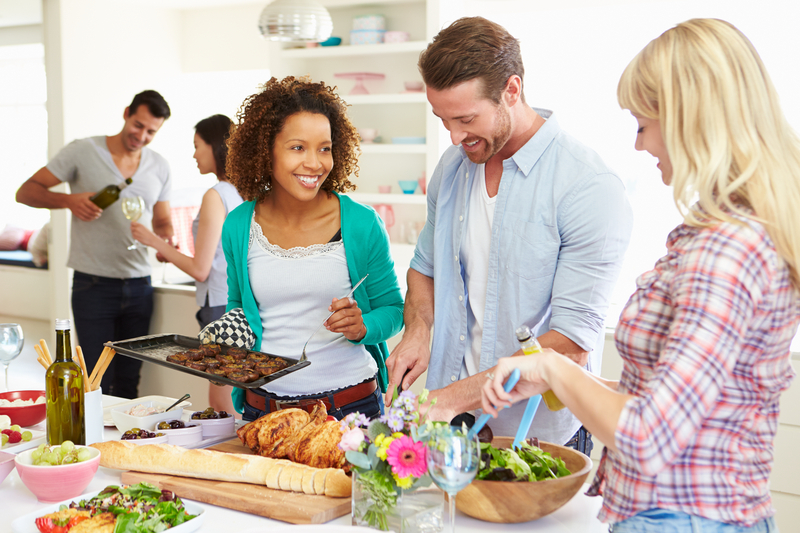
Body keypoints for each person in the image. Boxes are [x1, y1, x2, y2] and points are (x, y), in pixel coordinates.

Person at [483, 18, 800, 532]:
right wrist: (555, 375)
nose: (639, 145)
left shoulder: (726, 251)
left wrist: (556, 369)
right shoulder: (727, 235)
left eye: (642, 125)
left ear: (689, 121)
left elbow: (649, 436)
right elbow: (671, 398)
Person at [385, 17, 633, 454]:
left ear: (512, 90)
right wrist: (418, 330)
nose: (454, 136)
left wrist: (449, 399)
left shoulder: (588, 186)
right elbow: (425, 269)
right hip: (449, 426)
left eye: (466, 118)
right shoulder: (452, 168)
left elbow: (570, 346)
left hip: (535, 436)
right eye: (443, 119)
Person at [221, 76, 404, 421]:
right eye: (297, 148)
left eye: (324, 148)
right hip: (263, 411)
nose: (315, 163)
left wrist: (363, 326)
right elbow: (238, 306)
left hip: (349, 409)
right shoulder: (238, 225)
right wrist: (224, 344)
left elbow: (393, 309)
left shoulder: (361, 224)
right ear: (265, 150)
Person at [16, 90, 174, 399]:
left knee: (129, 380)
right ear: (126, 113)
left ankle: (124, 433)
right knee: (93, 382)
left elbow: (163, 220)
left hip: (140, 286)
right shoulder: (83, 151)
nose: (142, 136)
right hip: (93, 287)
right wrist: (69, 201)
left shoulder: (159, 165)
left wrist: (166, 240)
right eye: (138, 125)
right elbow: (25, 192)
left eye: (151, 131)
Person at [131, 114, 242, 415]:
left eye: (197, 146)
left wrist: (153, 241)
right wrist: (170, 252)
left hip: (219, 306)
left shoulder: (216, 195)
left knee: (220, 403)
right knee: (234, 396)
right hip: (238, 304)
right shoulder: (243, 192)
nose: (194, 154)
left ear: (215, 146)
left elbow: (200, 270)